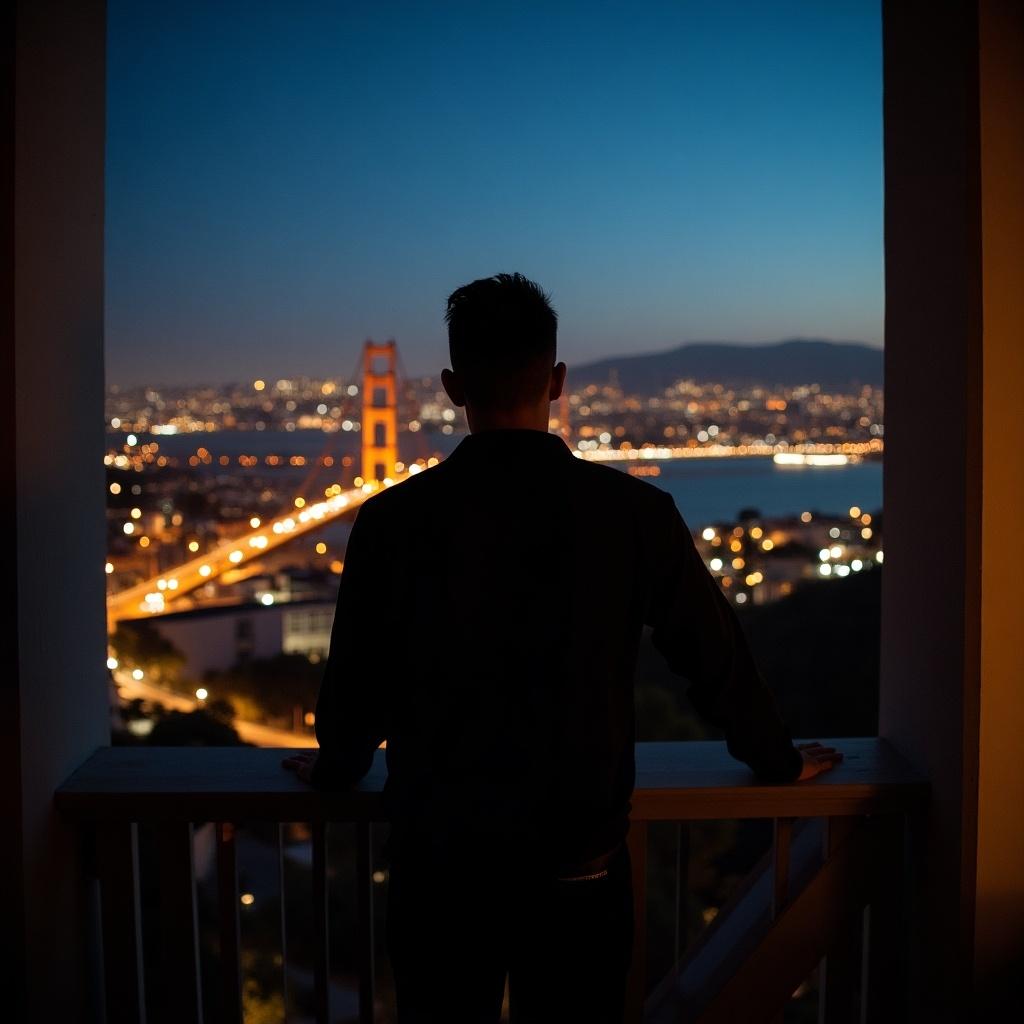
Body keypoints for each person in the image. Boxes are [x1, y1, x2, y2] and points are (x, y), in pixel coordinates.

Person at [283, 272, 842, 1023]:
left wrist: (335, 769)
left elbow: (354, 693)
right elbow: (715, 660)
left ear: (449, 387)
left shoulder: (391, 523)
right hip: (579, 870)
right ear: (556, 381)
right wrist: (777, 760)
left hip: (439, 872)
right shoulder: (636, 514)